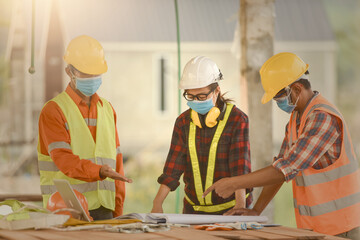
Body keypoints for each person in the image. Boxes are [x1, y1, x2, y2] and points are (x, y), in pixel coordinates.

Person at [203, 52, 360, 238]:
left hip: (343, 227)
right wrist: (256, 210)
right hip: (316, 227)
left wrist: (233, 183)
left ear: (297, 88)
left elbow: (285, 169)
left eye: (278, 96)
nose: (278, 103)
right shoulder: (296, 120)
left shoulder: (323, 118)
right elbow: (281, 167)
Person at [37, 35, 132, 220]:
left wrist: (117, 210)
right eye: (85, 73)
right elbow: (63, 160)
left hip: (105, 209)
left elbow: (117, 164)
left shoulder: (107, 109)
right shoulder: (53, 110)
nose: (92, 78)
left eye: (96, 73)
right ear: (69, 71)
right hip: (65, 209)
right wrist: (98, 171)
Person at [151, 56, 252, 215]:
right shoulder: (183, 122)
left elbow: (240, 167)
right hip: (193, 211)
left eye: (202, 97)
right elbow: (172, 168)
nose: (196, 102)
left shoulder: (237, 119)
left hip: (230, 210)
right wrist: (157, 204)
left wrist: (240, 207)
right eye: (190, 97)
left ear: (216, 91)